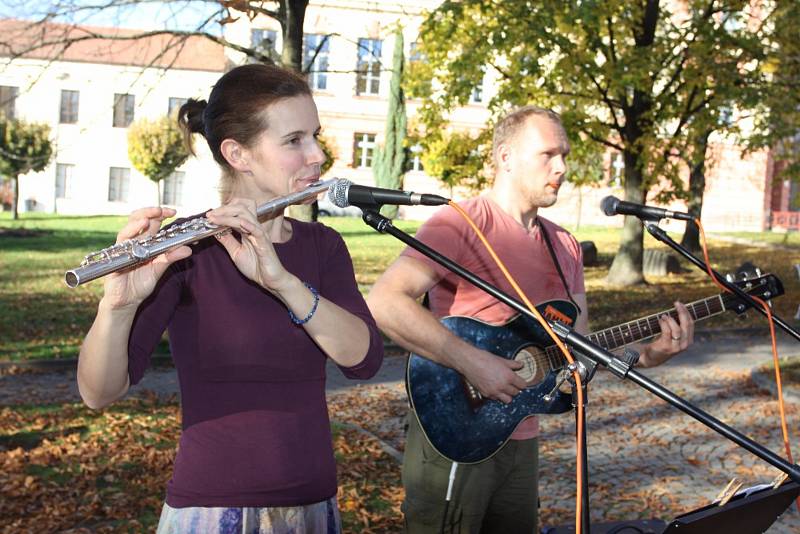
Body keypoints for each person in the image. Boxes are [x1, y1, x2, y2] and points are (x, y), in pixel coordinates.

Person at [76, 63, 384, 534]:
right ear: (238, 153)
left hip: (312, 507)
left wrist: (282, 281)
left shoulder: (323, 247)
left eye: (315, 136)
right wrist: (116, 305)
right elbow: (99, 393)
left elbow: (362, 358)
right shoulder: (187, 250)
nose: (317, 154)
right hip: (211, 510)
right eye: (295, 140)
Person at [366, 106, 694, 533]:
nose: (561, 167)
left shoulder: (565, 247)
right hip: (453, 430)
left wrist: (649, 356)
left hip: (521, 434)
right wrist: (474, 363)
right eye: (548, 154)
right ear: (505, 157)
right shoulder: (461, 224)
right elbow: (385, 301)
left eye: (565, 155)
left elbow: (580, 354)